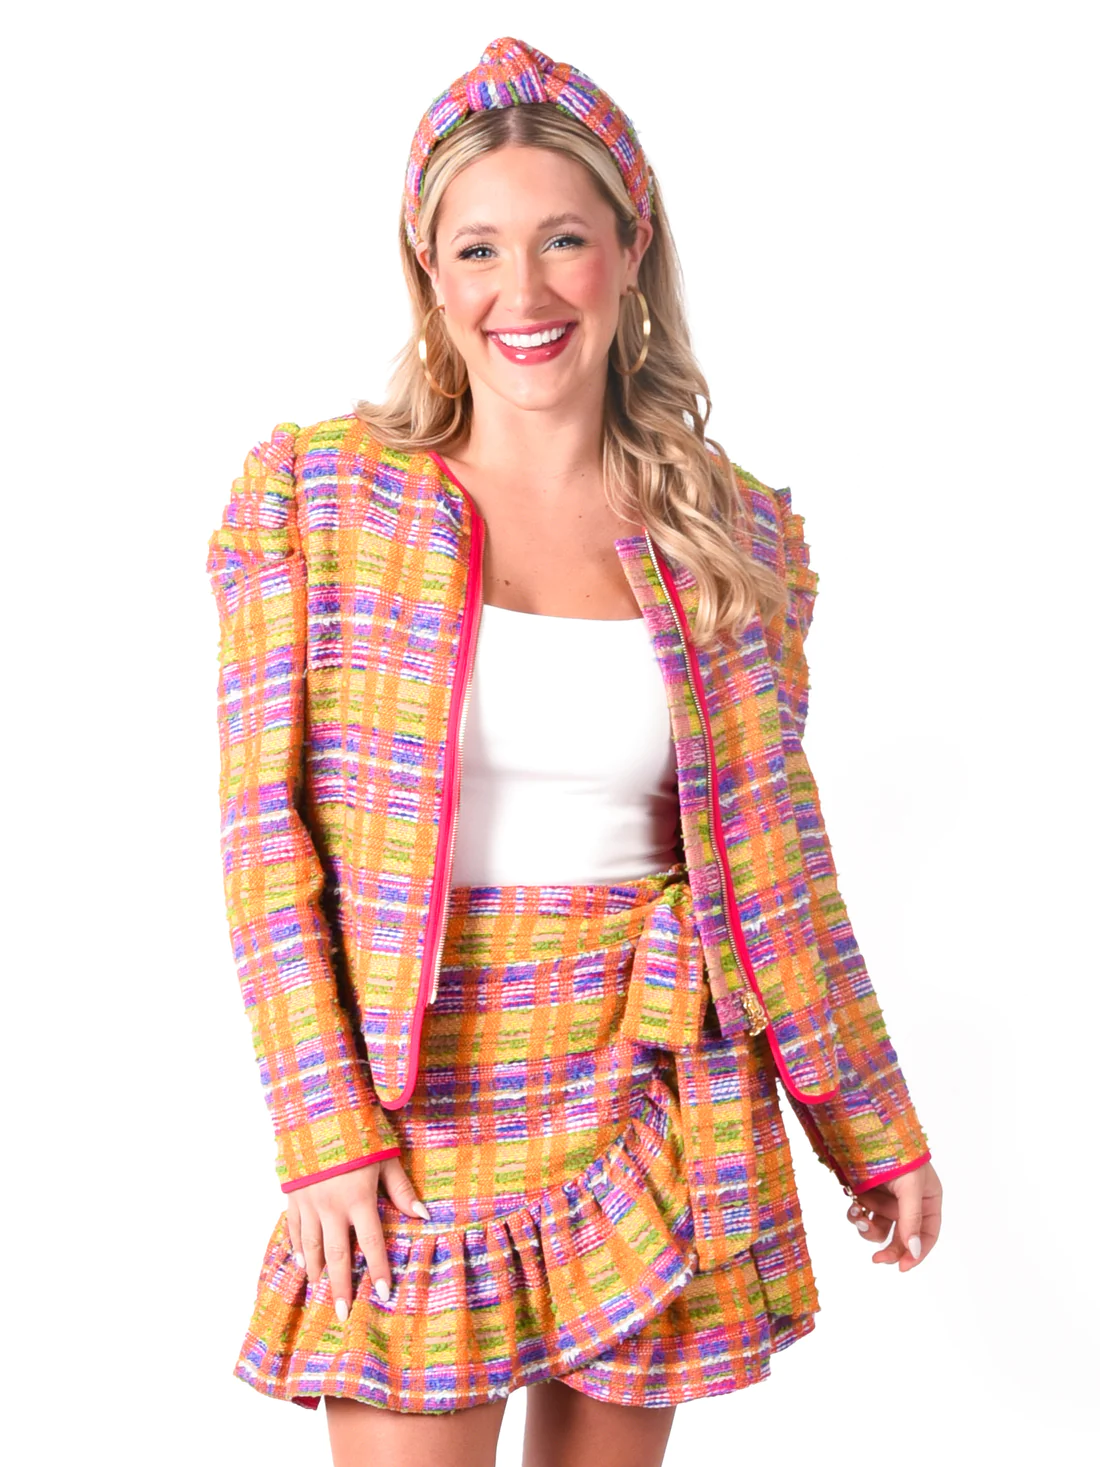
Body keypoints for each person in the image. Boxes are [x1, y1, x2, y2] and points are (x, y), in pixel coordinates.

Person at [206, 36, 942, 1467]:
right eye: (478, 249)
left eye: (563, 240)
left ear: (630, 248)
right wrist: (322, 1124)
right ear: (430, 274)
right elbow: (262, 839)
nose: (524, 292)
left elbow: (777, 870)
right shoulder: (319, 499)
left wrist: (878, 1128)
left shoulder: (731, 536)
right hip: (409, 1098)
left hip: (647, 1083)